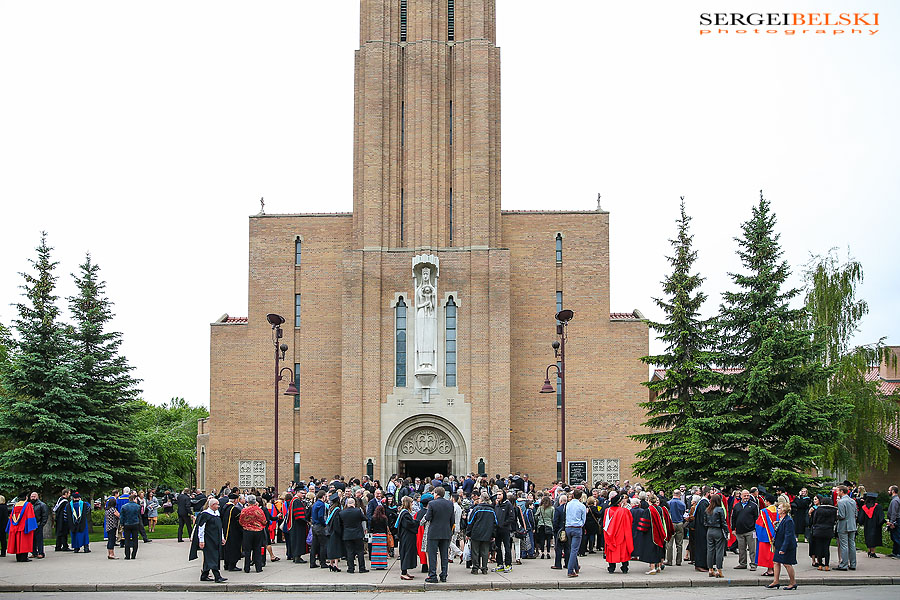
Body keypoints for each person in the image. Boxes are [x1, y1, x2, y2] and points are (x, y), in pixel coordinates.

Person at [189, 497, 227, 583]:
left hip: (216, 539)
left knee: (210, 557)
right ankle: (217, 576)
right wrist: (201, 540)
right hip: (208, 539)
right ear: (212, 505)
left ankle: (204, 575)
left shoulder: (216, 514)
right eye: (217, 504)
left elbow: (219, 527)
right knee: (212, 557)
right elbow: (201, 528)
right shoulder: (205, 515)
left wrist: (222, 537)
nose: (218, 506)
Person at [424, 486, 455, 583]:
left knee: (433, 555)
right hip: (446, 532)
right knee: (444, 555)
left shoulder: (432, 504)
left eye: (433, 493)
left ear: (436, 494)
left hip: (434, 532)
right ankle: (444, 575)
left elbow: (428, 518)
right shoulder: (450, 504)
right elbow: (452, 520)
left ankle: (432, 575)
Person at [767, 502, 798, 590]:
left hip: (787, 546)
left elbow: (788, 535)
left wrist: (783, 548)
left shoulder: (788, 520)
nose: (778, 510)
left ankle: (793, 582)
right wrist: (777, 524)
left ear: (784, 510)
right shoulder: (781, 519)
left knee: (787, 564)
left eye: (779, 508)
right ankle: (776, 581)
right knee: (776, 562)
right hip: (779, 544)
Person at [466, 492, 498, 575]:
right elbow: (495, 523)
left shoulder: (476, 509)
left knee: (475, 551)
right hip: (487, 533)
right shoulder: (492, 510)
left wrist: (468, 533)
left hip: (476, 533)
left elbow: (471, 522)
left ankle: (475, 568)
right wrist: (493, 534)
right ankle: (484, 568)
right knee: (485, 551)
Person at [603, 492, 633, 574]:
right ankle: (624, 567)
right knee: (623, 552)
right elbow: (630, 522)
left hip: (611, 535)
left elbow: (605, 524)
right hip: (622, 535)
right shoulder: (625, 511)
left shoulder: (607, 511)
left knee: (612, 552)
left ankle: (611, 567)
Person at [339, 497, 369, 573]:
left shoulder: (342, 513)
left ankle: (350, 568)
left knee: (349, 552)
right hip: (358, 534)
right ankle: (362, 568)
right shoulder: (358, 511)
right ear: (354, 503)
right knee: (360, 551)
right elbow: (365, 518)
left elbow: (340, 524)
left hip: (347, 534)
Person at [238, 494, 267, 573]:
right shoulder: (259, 510)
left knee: (247, 550)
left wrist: (246, 525)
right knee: (257, 549)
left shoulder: (244, 510)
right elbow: (264, 521)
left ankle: (247, 568)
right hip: (258, 531)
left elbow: (241, 521)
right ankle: (258, 567)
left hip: (247, 531)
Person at [397, 495, 423, 580]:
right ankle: (403, 572)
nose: (412, 504)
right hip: (407, 536)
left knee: (407, 552)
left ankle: (405, 571)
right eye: (411, 503)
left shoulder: (403, 512)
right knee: (406, 553)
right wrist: (416, 522)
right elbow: (408, 524)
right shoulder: (405, 513)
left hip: (407, 536)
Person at [731, 489, 758, 570]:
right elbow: (733, 518)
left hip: (750, 530)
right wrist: (733, 528)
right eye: (745, 496)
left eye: (748, 496)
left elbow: (757, 518)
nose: (746, 497)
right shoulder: (736, 506)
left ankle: (753, 564)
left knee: (752, 549)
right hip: (739, 531)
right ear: (741, 496)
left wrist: (755, 529)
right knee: (741, 549)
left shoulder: (753, 506)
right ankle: (742, 563)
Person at [6, 494, 38, 562]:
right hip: (24, 527)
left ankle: (18, 558)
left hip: (15, 527)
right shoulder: (27, 505)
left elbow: (12, 516)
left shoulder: (15, 505)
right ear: (26, 498)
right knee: (24, 542)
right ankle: (24, 558)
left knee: (17, 542)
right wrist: (32, 526)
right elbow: (30, 515)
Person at [835, 485, 858, 571]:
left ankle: (843, 564)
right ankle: (853, 564)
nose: (837, 493)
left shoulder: (841, 502)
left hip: (843, 525)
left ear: (841, 491)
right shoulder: (853, 501)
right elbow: (856, 514)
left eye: (838, 491)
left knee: (844, 545)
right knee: (852, 544)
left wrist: (836, 515)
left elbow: (841, 515)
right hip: (852, 525)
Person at [564, 488, 586, 577]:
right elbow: (583, 519)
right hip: (577, 528)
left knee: (572, 548)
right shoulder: (581, 506)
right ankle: (570, 570)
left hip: (568, 527)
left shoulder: (568, 504)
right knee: (574, 550)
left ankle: (576, 566)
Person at [704, 494, 727, 578]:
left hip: (709, 530)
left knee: (710, 550)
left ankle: (710, 569)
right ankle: (719, 570)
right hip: (718, 530)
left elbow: (705, 522)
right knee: (719, 551)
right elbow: (723, 522)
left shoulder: (707, 510)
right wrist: (727, 531)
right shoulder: (720, 509)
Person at [493, 490, 515, 572]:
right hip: (498, 530)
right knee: (498, 548)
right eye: (497, 494)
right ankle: (500, 564)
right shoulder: (497, 505)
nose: (498, 496)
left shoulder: (508, 504)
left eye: (500, 494)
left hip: (505, 530)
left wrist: (504, 524)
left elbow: (512, 517)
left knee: (507, 547)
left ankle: (508, 564)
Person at [220, 494, 243, 571]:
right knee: (234, 548)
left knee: (227, 548)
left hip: (225, 531)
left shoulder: (224, 507)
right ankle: (232, 565)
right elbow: (239, 522)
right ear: (236, 500)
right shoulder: (234, 509)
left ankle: (226, 564)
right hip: (234, 532)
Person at [858, 492, 885, 558]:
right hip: (875, 526)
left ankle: (869, 550)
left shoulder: (864, 507)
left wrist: (861, 522)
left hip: (867, 526)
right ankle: (872, 552)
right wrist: (882, 522)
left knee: (868, 537)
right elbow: (881, 518)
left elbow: (861, 518)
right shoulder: (878, 507)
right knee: (874, 537)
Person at [286, 490, 309, 563]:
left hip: (295, 525)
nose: (303, 495)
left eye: (304, 493)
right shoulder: (296, 501)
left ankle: (296, 556)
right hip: (297, 525)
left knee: (295, 540)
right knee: (298, 540)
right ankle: (297, 557)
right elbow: (299, 515)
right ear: (297, 493)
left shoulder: (294, 500)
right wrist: (306, 520)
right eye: (302, 493)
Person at [691, 487, 711, 572]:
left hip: (702, 528)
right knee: (701, 547)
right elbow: (704, 517)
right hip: (701, 529)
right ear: (707, 493)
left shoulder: (704, 502)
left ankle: (705, 564)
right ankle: (700, 564)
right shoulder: (703, 503)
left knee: (704, 547)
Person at [665, 489, 686, 567]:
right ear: (679, 495)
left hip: (671, 523)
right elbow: (683, 513)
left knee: (669, 543)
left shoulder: (668, 503)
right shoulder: (682, 504)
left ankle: (669, 560)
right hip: (679, 523)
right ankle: (678, 561)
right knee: (679, 543)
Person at [324, 493, 344, 572]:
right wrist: (339, 531)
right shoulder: (337, 510)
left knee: (331, 547)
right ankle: (336, 565)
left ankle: (331, 564)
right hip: (335, 532)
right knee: (336, 548)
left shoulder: (331, 509)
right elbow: (336, 523)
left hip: (329, 531)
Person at [119, 493, 142, 560]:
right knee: (135, 539)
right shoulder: (138, 507)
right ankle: (134, 554)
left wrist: (122, 524)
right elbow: (139, 516)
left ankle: (127, 555)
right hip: (135, 524)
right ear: (134, 499)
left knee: (127, 540)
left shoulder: (124, 507)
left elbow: (122, 517)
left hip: (127, 524)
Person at [309, 490, 328, 568]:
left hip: (314, 526)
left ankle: (312, 562)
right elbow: (321, 516)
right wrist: (324, 523)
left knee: (314, 545)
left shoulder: (315, 504)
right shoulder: (321, 505)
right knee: (323, 545)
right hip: (320, 526)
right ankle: (322, 562)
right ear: (323, 496)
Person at [550, 494, 568, 570]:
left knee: (559, 548)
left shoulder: (558, 509)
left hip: (559, 530)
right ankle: (567, 563)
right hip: (567, 529)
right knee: (567, 548)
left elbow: (555, 521)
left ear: (560, 501)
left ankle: (558, 564)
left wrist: (554, 530)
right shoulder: (569, 508)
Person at [370, 504, 390, 570]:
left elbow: (371, 527)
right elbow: (385, 527)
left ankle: (376, 564)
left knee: (376, 552)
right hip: (382, 535)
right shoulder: (384, 518)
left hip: (375, 535)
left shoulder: (373, 518)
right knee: (382, 552)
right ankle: (382, 564)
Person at [30, 492, 48, 559]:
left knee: (39, 540)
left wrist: (41, 524)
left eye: (34, 496)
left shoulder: (42, 505)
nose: (33, 498)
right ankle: (34, 553)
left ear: (37, 497)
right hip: (31, 525)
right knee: (32, 540)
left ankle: (41, 553)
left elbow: (45, 515)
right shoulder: (29, 505)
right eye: (31, 496)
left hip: (38, 524)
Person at [535, 495, 554, 559]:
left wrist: (539, 519)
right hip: (549, 525)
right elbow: (553, 517)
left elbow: (535, 516)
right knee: (548, 540)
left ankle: (542, 553)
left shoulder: (540, 508)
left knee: (542, 540)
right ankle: (548, 553)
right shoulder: (552, 508)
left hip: (541, 525)